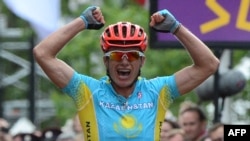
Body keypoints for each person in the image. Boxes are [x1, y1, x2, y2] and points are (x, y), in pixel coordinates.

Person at [33, 5, 219, 140]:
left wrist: (176, 28)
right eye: (115, 55)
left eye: (131, 56)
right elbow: (42, 53)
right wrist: (81, 23)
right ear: (105, 60)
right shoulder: (87, 91)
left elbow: (209, 64)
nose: (124, 61)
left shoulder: (159, 91)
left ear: (142, 61)